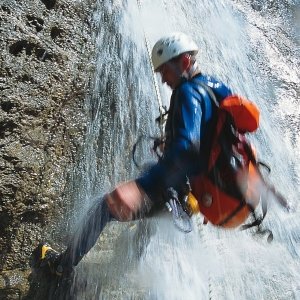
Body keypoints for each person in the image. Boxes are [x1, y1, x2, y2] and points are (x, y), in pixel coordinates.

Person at [38, 32, 233, 276]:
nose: (163, 79)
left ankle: (61, 267)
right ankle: (128, 259)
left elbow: (187, 148)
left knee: (105, 207)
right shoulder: (217, 88)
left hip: (178, 190)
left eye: (165, 71)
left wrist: (142, 186)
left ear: (183, 62)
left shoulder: (187, 92)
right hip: (198, 193)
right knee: (149, 179)